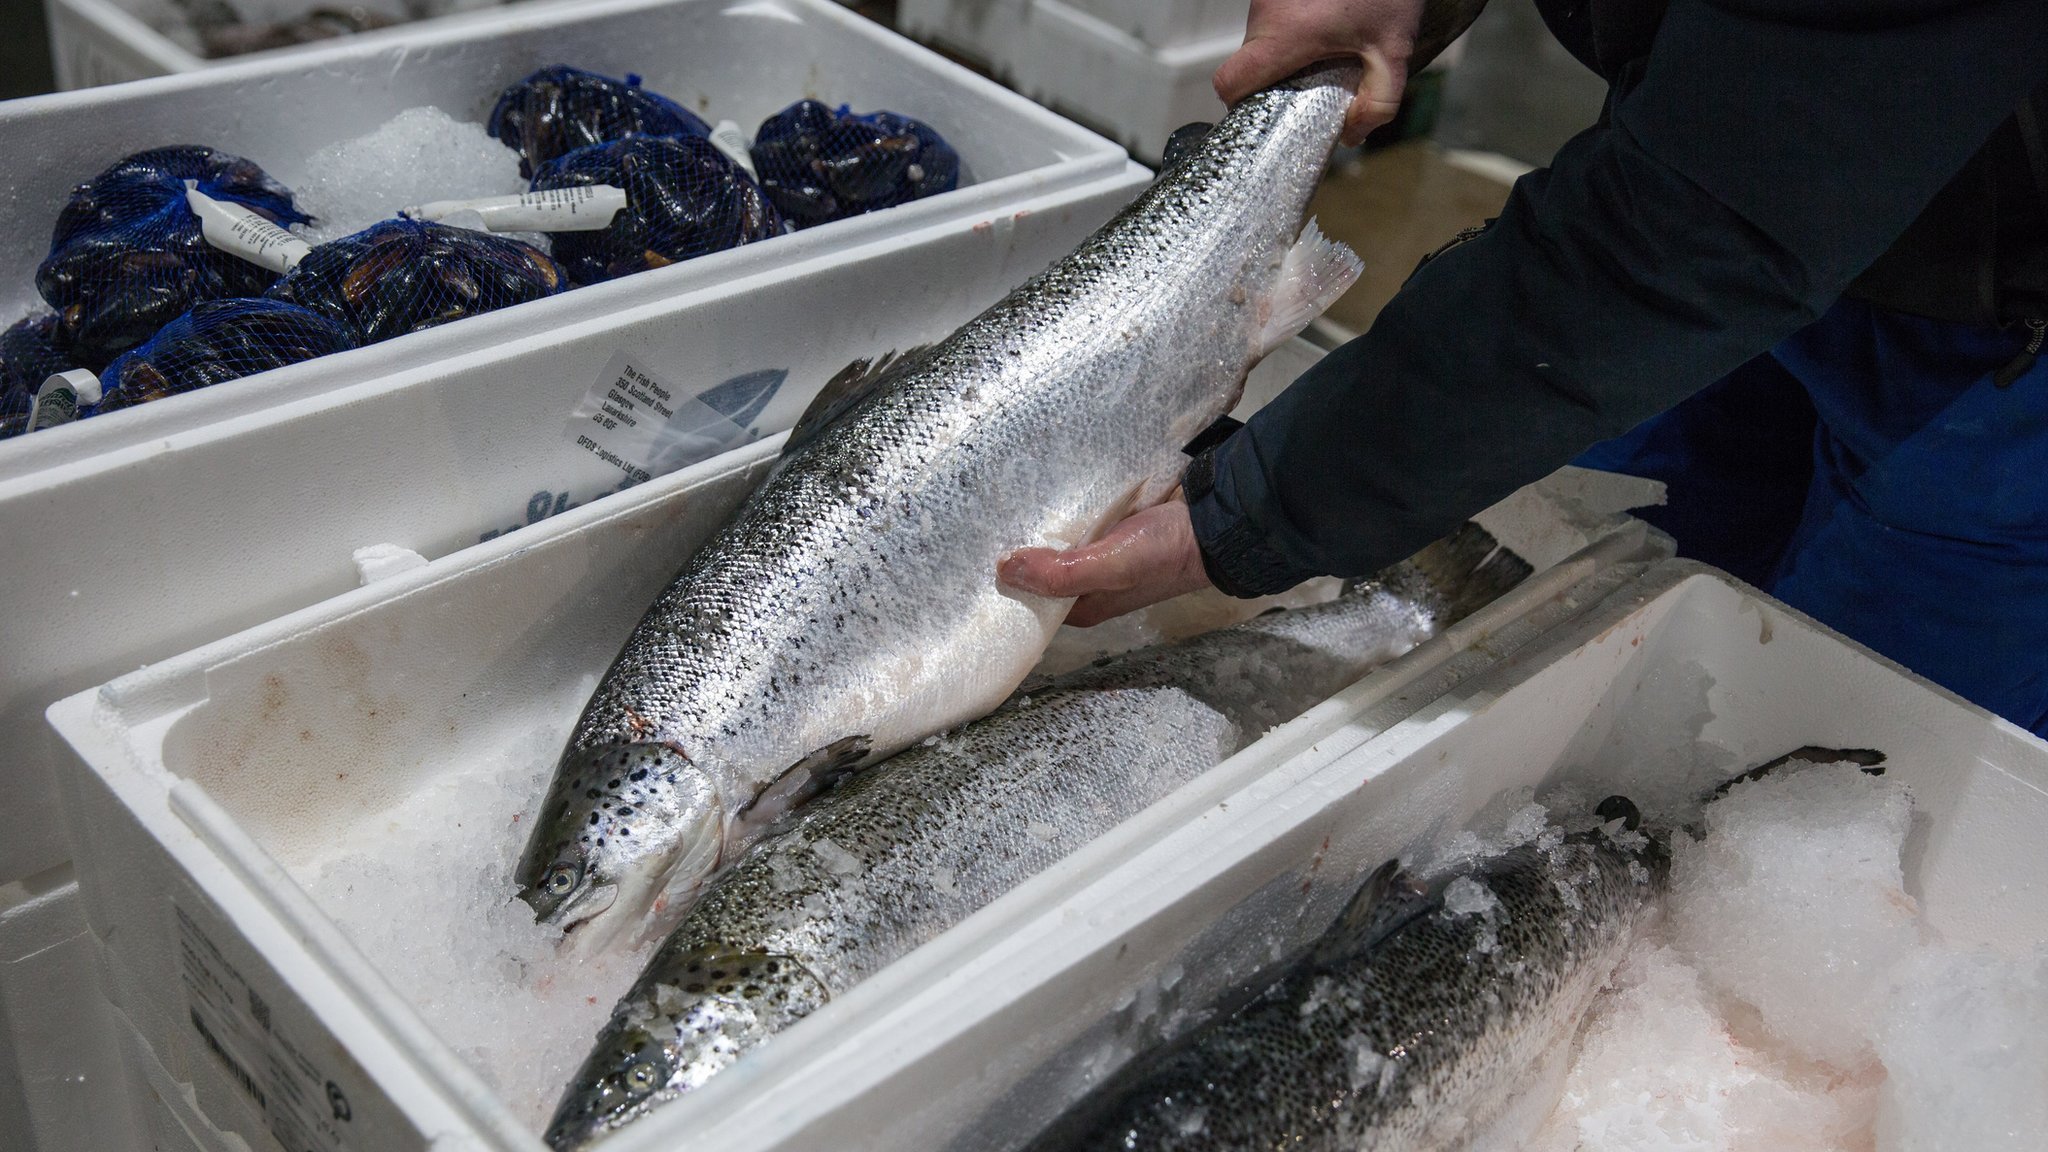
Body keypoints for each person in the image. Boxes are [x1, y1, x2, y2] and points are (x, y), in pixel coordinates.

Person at [1000, 0, 2048, 734]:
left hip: (1996, 348)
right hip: (1722, 157)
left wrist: (1246, 511)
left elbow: (1699, 235)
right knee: (1574, 622)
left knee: (1826, 761)